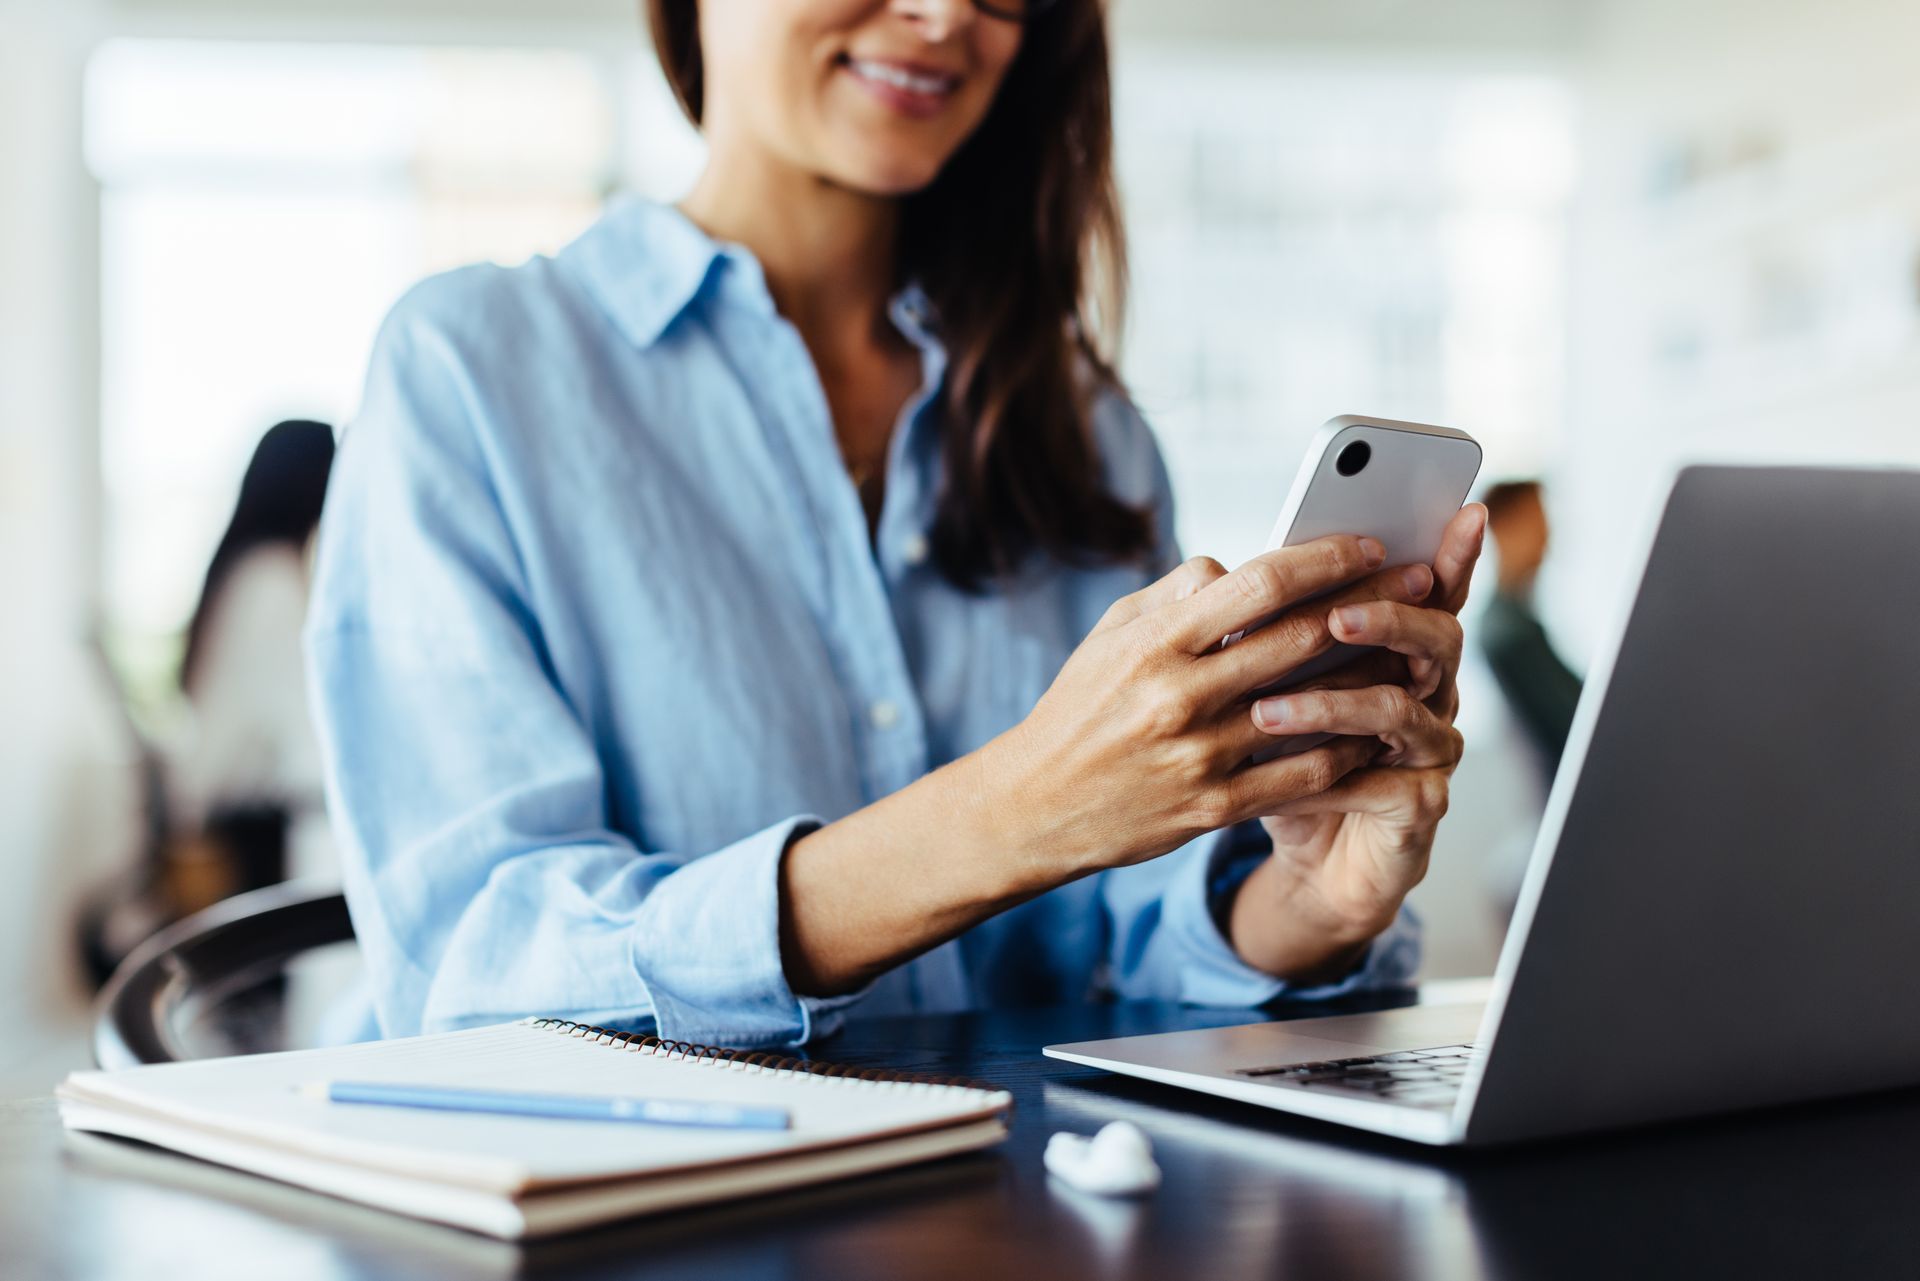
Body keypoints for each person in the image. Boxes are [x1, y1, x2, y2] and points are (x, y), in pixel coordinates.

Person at [307, 0, 1487, 1047]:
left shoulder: (1081, 427)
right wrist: (1010, 814)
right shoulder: (472, 372)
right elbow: (476, 971)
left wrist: (1305, 911)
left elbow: (1115, 946)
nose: (943, 17)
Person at [174, 418, 336, 899]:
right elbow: (308, 734)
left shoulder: (246, 569)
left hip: (232, 822)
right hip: (249, 839)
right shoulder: (270, 583)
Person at [1477, 480, 1582, 771]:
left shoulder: (1514, 623)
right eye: (1537, 521)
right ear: (1504, 529)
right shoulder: (1510, 632)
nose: (1547, 536)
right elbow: (1574, 723)